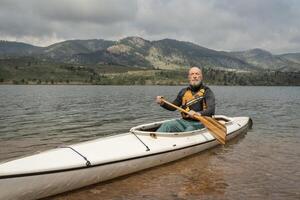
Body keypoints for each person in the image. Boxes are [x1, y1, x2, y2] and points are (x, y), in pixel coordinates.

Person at [156, 66, 215, 132]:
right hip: (184, 121)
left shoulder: (207, 91)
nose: (194, 76)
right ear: (189, 77)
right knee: (167, 125)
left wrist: (198, 113)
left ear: (201, 77)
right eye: (192, 74)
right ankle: (154, 141)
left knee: (190, 129)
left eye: (197, 74)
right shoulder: (183, 92)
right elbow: (173, 107)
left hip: (202, 122)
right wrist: (162, 103)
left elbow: (211, 110)